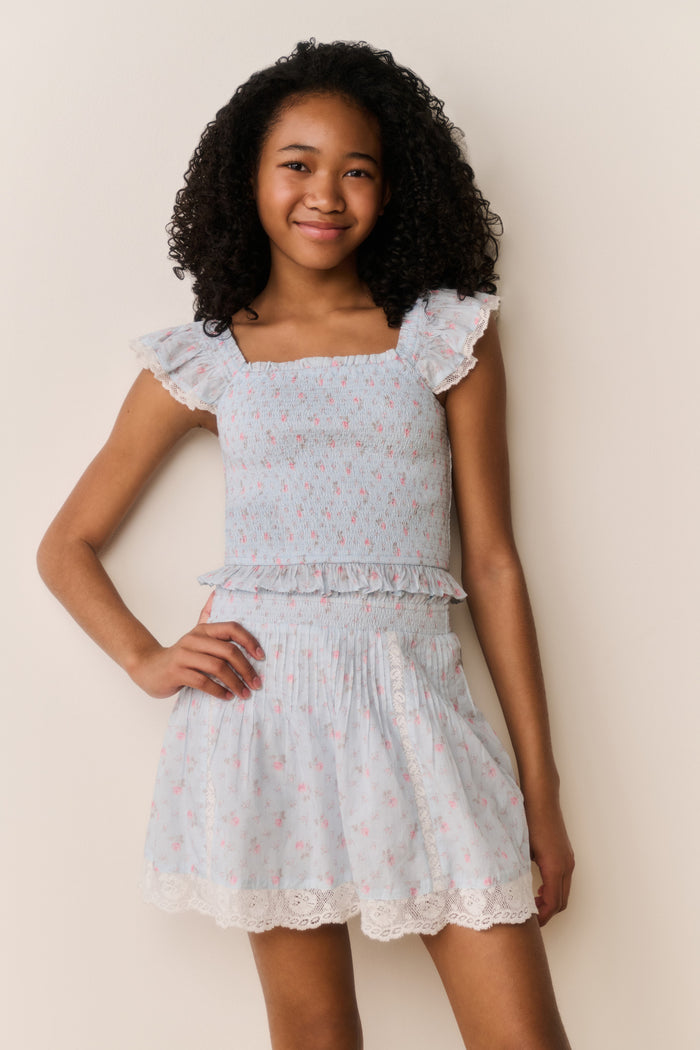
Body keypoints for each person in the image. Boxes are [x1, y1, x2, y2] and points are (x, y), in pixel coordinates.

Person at [37, 39, 574, 1050]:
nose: (324, 193)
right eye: (297, 163)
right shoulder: (208, 358)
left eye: (357, 169)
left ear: (393, 188)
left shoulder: (442, 336)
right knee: (317, 1034)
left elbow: (493, 564)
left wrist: (540, 794)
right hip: (265, 722)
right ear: (250, 178)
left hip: (418, 713)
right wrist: (147, 658)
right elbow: (66, 543)